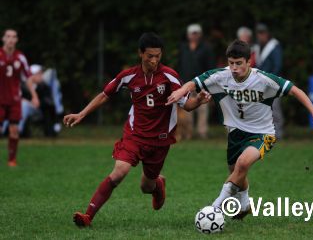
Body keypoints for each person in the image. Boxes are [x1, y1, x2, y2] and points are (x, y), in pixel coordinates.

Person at [166, 40, 313, 219]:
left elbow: (295, 90)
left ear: (249, 62)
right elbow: (194, 83)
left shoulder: (263, 79)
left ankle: (214, 208)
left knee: (242, 165)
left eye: (239, 63)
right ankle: (244, 204)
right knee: (236, 172)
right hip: (235, 133)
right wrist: (181, 91)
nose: (234, 68)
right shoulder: (220, 76)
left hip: (263, 133)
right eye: (231, 63)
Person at [64, 32, 210, 227]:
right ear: (140, 54)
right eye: (150, 56)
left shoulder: (169, 76)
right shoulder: (129, 76)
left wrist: (198, 100)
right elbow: (104, 95)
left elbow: (187, 105)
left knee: (146, 186)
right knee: (119, 172)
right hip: (135, 135)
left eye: (158, 56)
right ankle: (88, 216)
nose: (154, 60)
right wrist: (82, 113)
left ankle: (157, 184)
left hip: (160, 140)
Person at [0, 29, 39, 167]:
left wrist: (34, 96)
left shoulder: (20, 57)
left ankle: (12, 160)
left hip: (14, 100)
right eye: (8, 36)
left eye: (14, 37)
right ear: (3, 39)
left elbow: (28, 78)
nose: (11, 39)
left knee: (14, 130)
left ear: (16, 40)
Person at [176, 24, 215, 140]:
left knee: (203, 108)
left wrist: (210, 83)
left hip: (202, 83)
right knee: (187, 108)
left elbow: (210, 67)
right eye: (192, 33)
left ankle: (202, 133)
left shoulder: (206, 48)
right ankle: (188, 133)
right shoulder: (183, 48)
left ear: (200, 34)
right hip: (186, 83)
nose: (194, 36)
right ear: (188, 35)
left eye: (196, 33)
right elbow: (179, 64)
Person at [253, 23, 285, 138]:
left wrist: (271, 79)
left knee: (275, 107)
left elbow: (277, 65)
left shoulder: (274, 46)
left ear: (267, 34)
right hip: (260, 82)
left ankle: (278, 132)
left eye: (263, 33)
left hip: (272, 81)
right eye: (259, 33)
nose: (261, 36)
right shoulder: (257, 47)